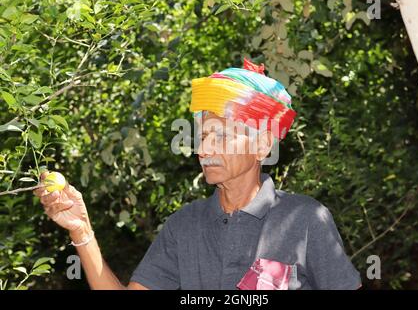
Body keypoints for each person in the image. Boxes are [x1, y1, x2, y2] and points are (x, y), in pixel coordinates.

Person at [34, 59, 361, 290]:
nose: (203, 150)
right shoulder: (184, 226)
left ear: (262, 145)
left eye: (220, 136)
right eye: (202, 136)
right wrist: (82, 231)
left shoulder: (305, 220)